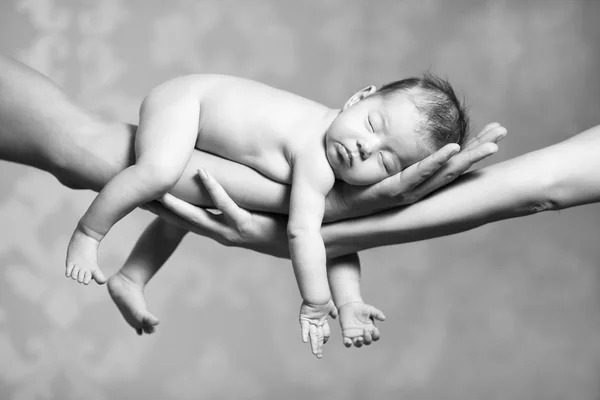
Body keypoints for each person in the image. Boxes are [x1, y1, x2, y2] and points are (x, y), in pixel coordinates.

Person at [0, 53, 506, 351]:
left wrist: (349, 304)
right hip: (188, 100)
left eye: (388, 163)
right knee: (157, 172)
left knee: (194, 214)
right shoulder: (317, 155)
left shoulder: (339, 167)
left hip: (208, 122)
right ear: (359, 98)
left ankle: (131, 278)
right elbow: (304, 233)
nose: (364, 148)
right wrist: (314, 304)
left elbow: (334, 241)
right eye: (374, 125)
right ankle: (88, 236)